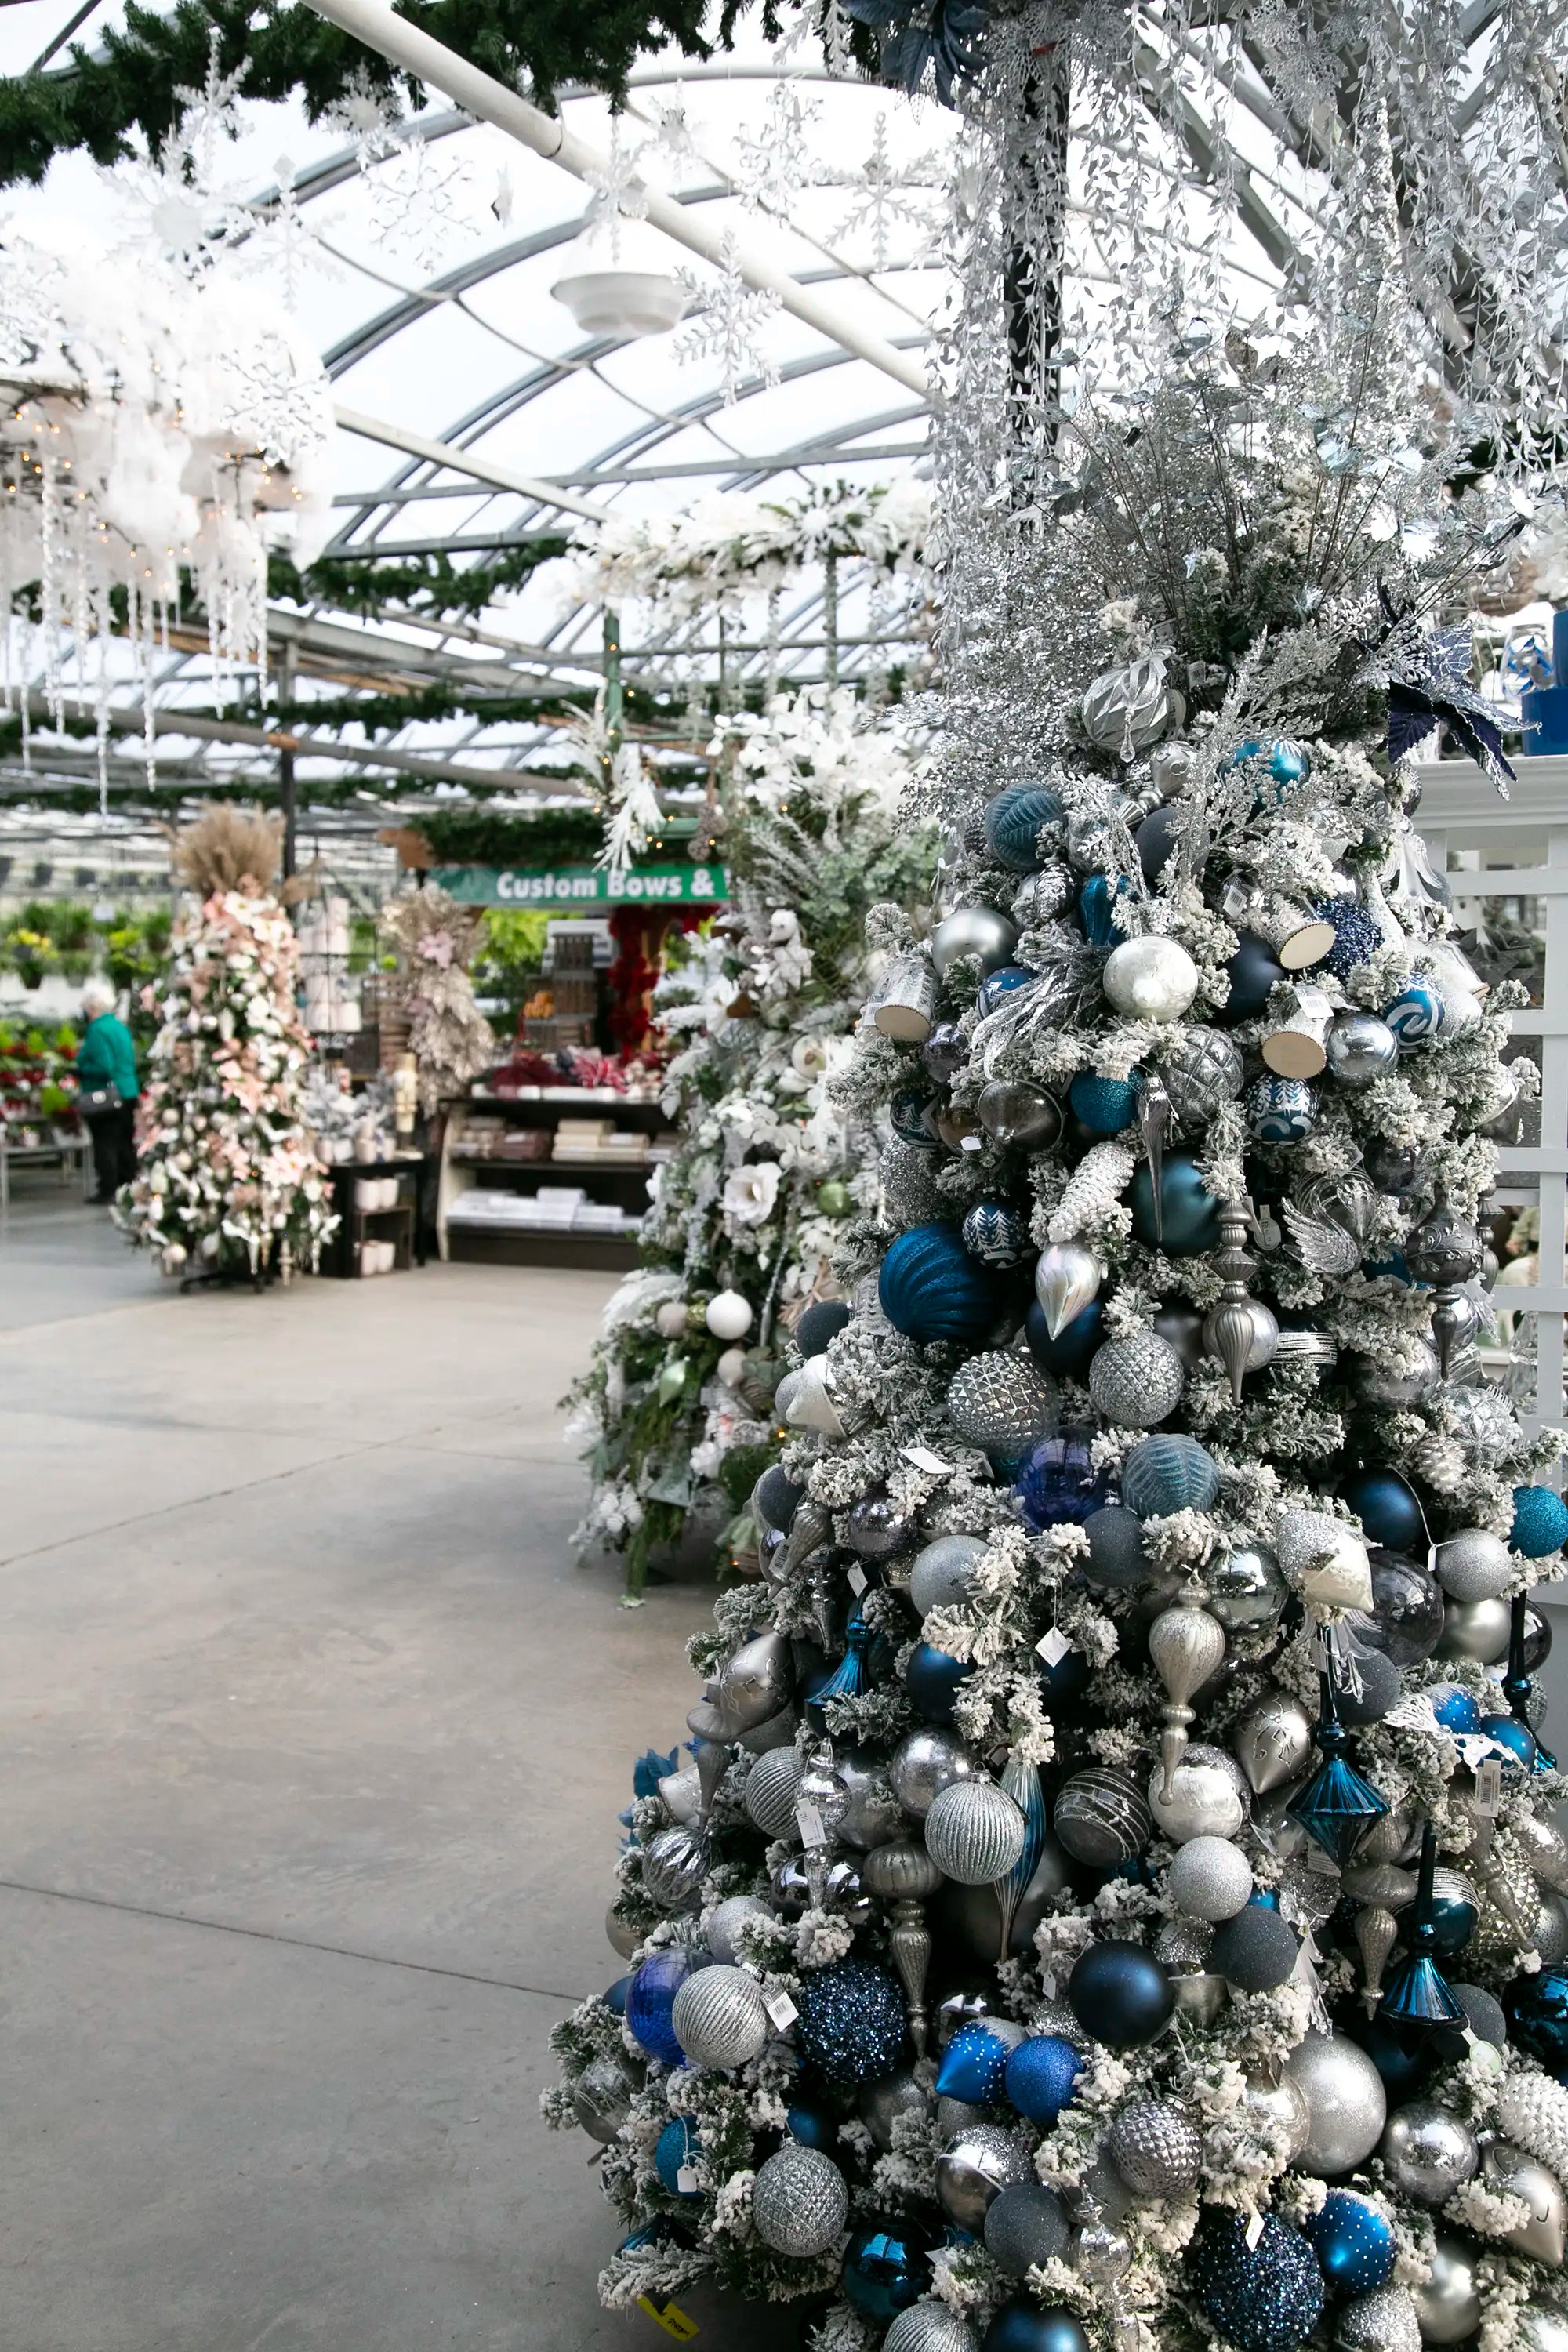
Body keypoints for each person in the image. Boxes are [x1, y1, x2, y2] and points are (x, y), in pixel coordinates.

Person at [74, 978, 140, 1203]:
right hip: (128, 1091)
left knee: (105, 1143)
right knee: (124, 1142)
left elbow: (104, 1065)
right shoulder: (118, 1026)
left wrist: (81, 1069)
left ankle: (108, 1188)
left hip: (105, 1097)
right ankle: (128, 1185)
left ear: (92, 1007)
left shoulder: (97, 1030)